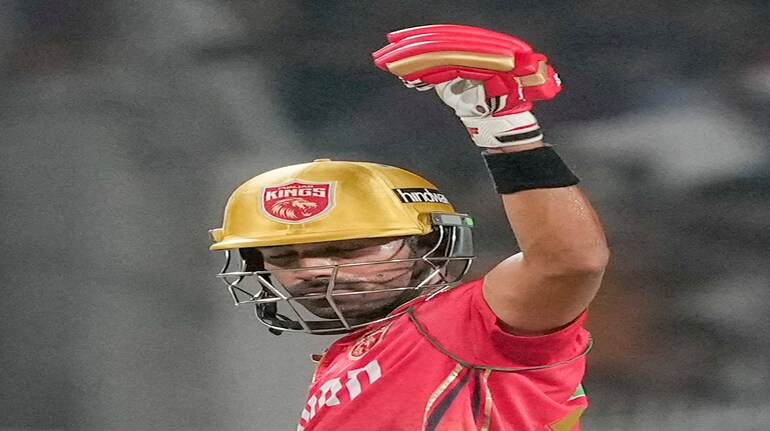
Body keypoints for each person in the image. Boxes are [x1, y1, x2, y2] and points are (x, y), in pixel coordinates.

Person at [210, 24, 609, 431]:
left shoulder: (468, 322)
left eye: (350, 249)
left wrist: (507, 132)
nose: (312, 269)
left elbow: (569, 263)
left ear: (427, 246)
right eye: (282, 256)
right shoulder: (347, 357)